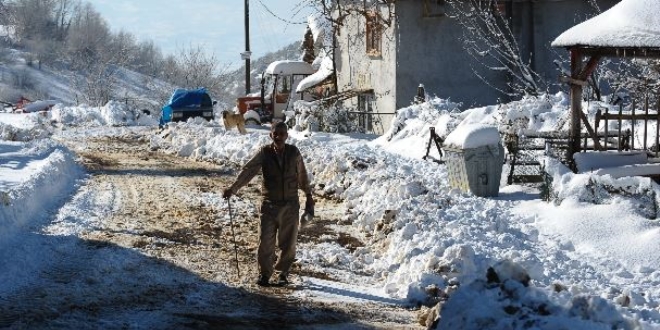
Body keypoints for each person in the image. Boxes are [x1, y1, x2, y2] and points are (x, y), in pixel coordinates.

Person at [223, 122, 314, 286]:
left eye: (282, 134)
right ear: (271, 135)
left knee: (289, 243)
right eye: (276, 134)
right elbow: (248, 171)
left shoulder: (294, 153)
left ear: (287, 136)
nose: (279, 137)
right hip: (269, 205)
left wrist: (309, 195)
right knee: (265, 242)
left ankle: (282, 274)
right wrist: (233, 188)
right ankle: (264, 274)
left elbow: (302, 175)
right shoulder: (264, 153)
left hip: (290, 205)